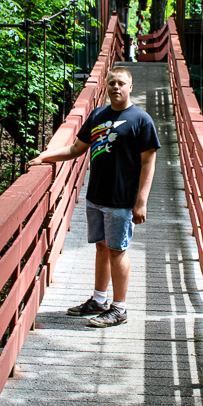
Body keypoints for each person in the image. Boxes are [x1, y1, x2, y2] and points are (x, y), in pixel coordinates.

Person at [28, 66, 160, 327]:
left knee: (117, 250)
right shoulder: (98, 114)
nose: (116, 87)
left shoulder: (141, 119)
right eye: (112, 83)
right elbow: (77, 148)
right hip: (96, 195)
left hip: (121, 199)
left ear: (130, 87)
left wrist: (141, 201)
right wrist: (46, 156)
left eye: (121, 83)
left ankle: (119, 308)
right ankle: (99, 300)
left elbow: (148, 163)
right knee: (101, 247)